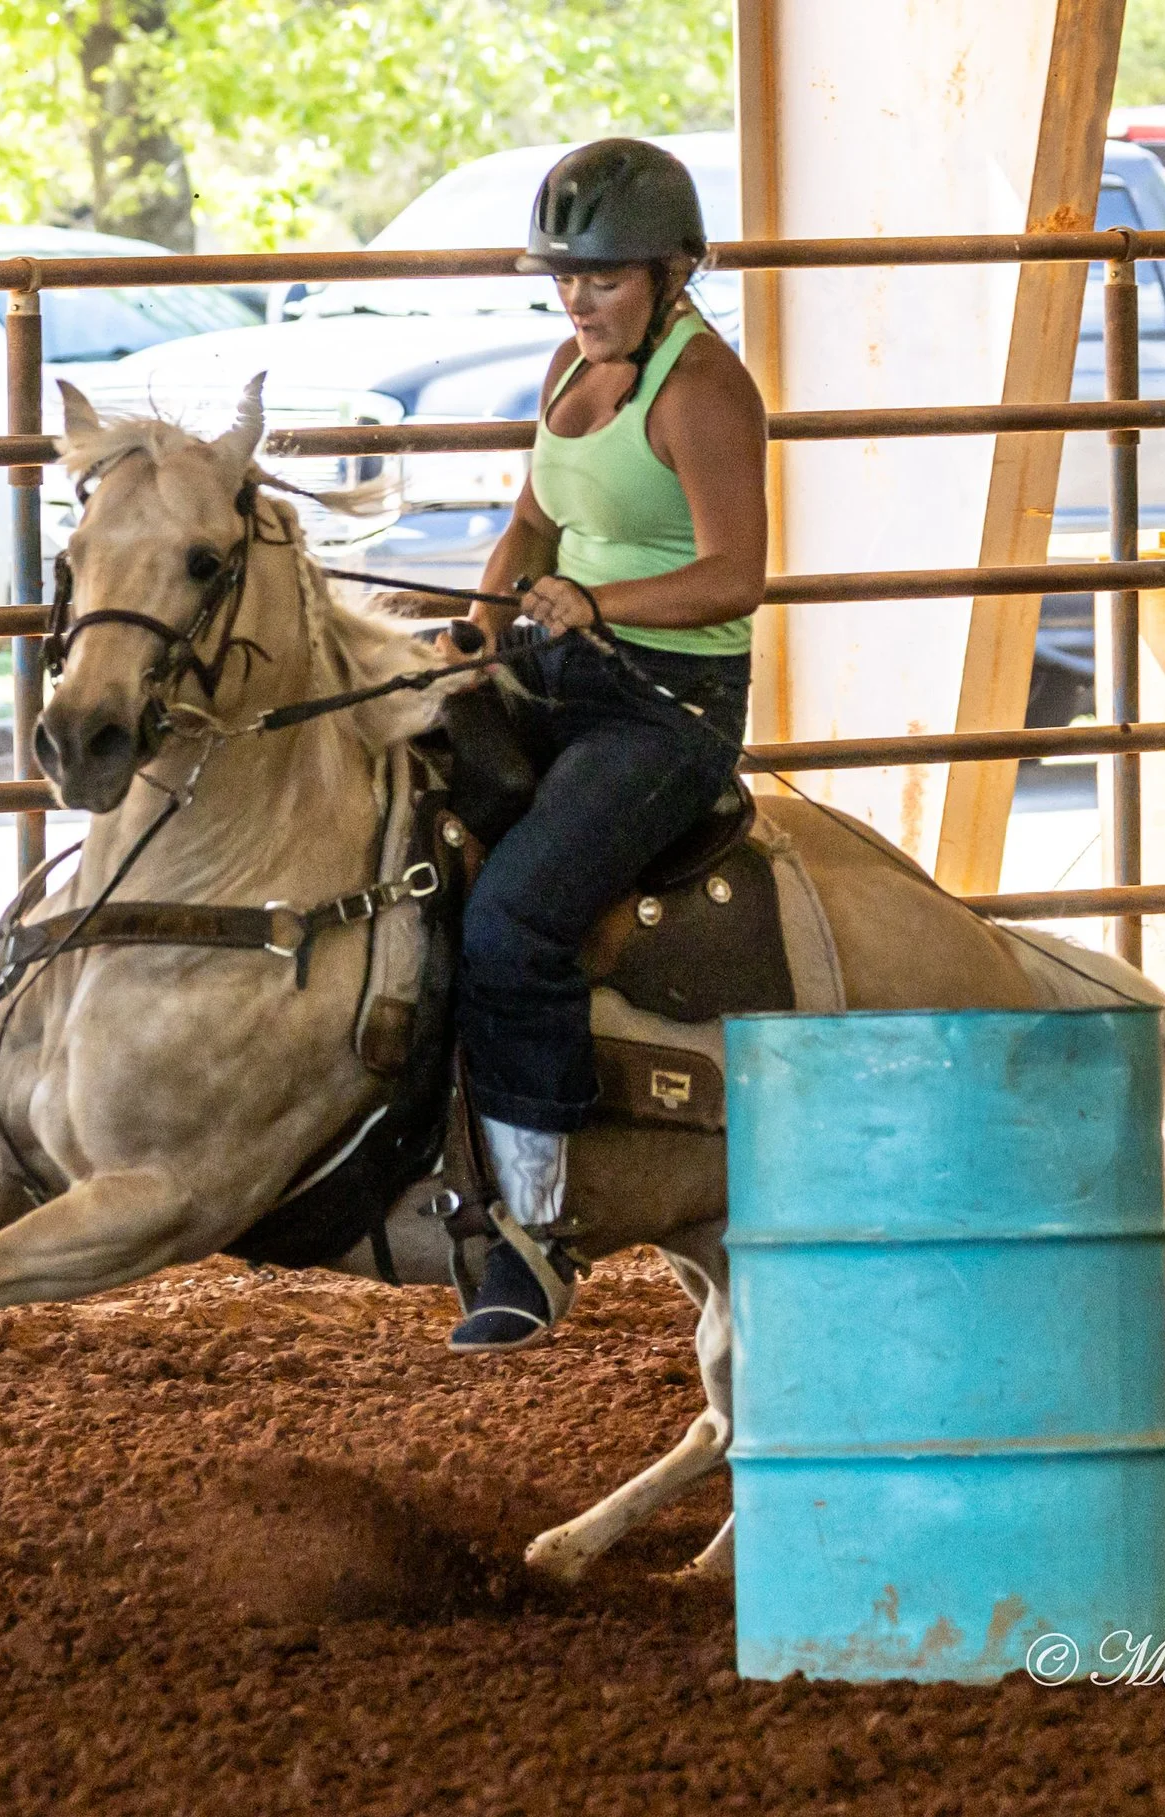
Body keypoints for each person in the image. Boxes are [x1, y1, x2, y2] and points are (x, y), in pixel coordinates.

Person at [443, 138, 769, 1354]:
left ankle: (533, 1236)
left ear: (677, 271)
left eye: (604, 278)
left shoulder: (700, 390)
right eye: (563, 279)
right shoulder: (565, 367)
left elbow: (739, 573)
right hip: (555, 666)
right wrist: (478, 632)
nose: (577, 300)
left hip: (664, 705)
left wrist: (599, 601)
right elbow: (532, 518)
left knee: (515, 917)